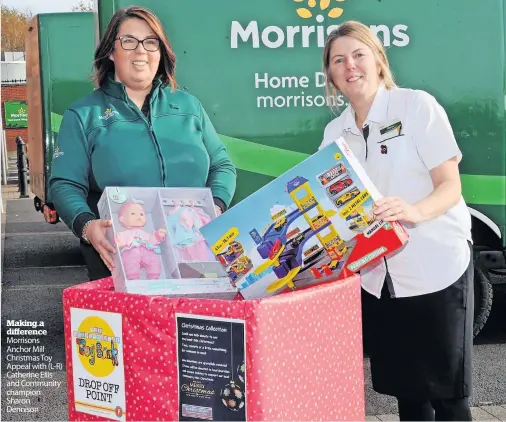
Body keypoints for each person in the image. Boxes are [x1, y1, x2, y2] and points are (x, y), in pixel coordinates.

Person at [319, 21, 473, 421]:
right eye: (339, 60)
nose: (350, 65)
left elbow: (449, 185)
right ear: (331, 75)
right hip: (380, 280)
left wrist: (413, 211)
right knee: (408, 395)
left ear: (379, 62)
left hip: (436, 268)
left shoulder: (415, 106)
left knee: (448, 398)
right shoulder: (334, 135)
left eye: (358, 55)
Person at [49, 6, 236, 281]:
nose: (141, 51)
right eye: (128, 41)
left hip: (193, 251)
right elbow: (64, 184)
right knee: (135, 325)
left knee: (195, 323)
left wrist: (215, 207)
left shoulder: (188, 106)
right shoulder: (84, 114)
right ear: (111, 52)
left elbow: (222, 165)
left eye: (151, 42)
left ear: (161, 52)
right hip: (123, 257)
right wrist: (87, 226)